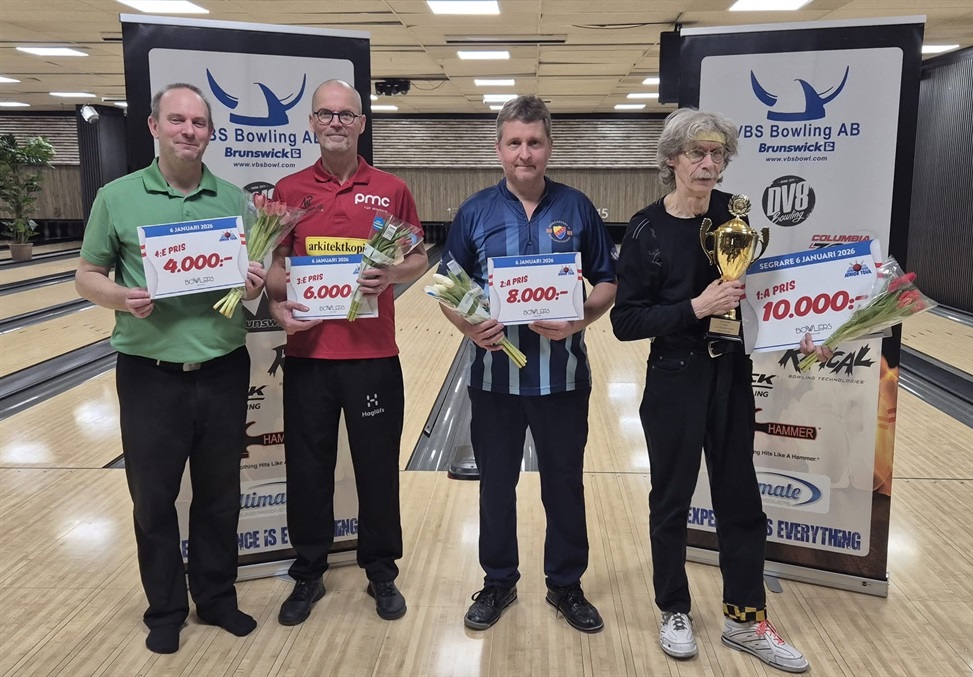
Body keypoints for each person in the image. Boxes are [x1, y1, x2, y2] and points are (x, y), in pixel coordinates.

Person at [610, 107, 810, 673]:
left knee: (741, 500)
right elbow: (626, 321)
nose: (708, 162)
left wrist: (804, 329)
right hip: (675, 376)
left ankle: (746, 620)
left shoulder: (735, 215)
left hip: (731, 374)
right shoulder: (647, 229)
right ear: (671, 158)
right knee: (671, 501)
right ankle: (674, 609)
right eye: (697, 152)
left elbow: (760, 294)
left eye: (717, 153)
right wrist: (696, 307)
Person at [75, 83, 264, 654]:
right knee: (153, 500)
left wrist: (252, 282)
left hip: (223, 368)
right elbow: (87, 275)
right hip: (149, 375)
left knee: (220, 495)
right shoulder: (117, 197)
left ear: (211, 133)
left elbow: (249, 284)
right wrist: (120, 296)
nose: (189, 131)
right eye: (177, 120)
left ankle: (217, 598)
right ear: (154, 127)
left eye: (199, 123)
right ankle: (164, 608)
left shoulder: (234, 200)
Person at [439, 95, 618, 633]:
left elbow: (607, 280)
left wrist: (579, 319)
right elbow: (448, 286)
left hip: (563, 378)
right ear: (498, 149)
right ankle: (499, 581)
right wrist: (469, 326)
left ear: (549, 147)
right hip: (493, 381)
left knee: (563, 485)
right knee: (495, 486)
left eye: (534, 142)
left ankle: (566, 584)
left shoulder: (577, 207)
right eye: (514, 142)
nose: (524, 153)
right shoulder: (475, 211)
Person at [264, 80, 427, 626]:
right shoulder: (289, 189)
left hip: (373, 356)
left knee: (376, 468)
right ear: (312, 122)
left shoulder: (391, 188)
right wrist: (279, 301)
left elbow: (418, 256)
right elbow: (276, 266)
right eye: (326, 114)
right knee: (307, 468)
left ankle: (380, 569)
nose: (336, 122)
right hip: (309, 357)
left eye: (346, 115)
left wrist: (392, 273)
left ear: (361, 123)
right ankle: (308, 571)